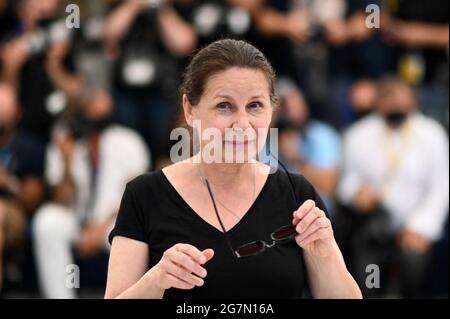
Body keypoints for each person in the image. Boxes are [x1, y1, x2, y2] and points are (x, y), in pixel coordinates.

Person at [105, 39, 361, 299]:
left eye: (255, 106)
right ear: (189, 110)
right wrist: (155, 281)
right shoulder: (145, 195)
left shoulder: (296, 194)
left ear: (272, 111)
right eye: (224, 106)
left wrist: (325, 254)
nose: (242, 124)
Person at [337, 76, 449, 298]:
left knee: (413, 269)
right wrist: (357, 194)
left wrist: (421, 226)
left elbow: (441, 188)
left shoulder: (432, 135)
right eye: (388, 96)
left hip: (415, 226)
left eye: (401, 96)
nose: (395, 102)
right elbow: (346, 181)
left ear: (414, 100)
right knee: (370, 279)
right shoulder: (358, 134)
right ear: (378, 101)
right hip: (373, 227)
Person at [32, 89, 150, 299]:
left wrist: (100, 229)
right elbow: (61, 201)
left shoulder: (129, 142)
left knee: (131, 231)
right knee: (47, 221)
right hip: (77, 220)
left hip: (116, 221)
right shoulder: (64, 143)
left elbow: (138, 198)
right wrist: (66, 163)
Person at [0, 83, 45, 292]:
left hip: (14, 211)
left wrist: (8, 181)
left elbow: (33, 200)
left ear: (17, 114)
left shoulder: (30, 147)